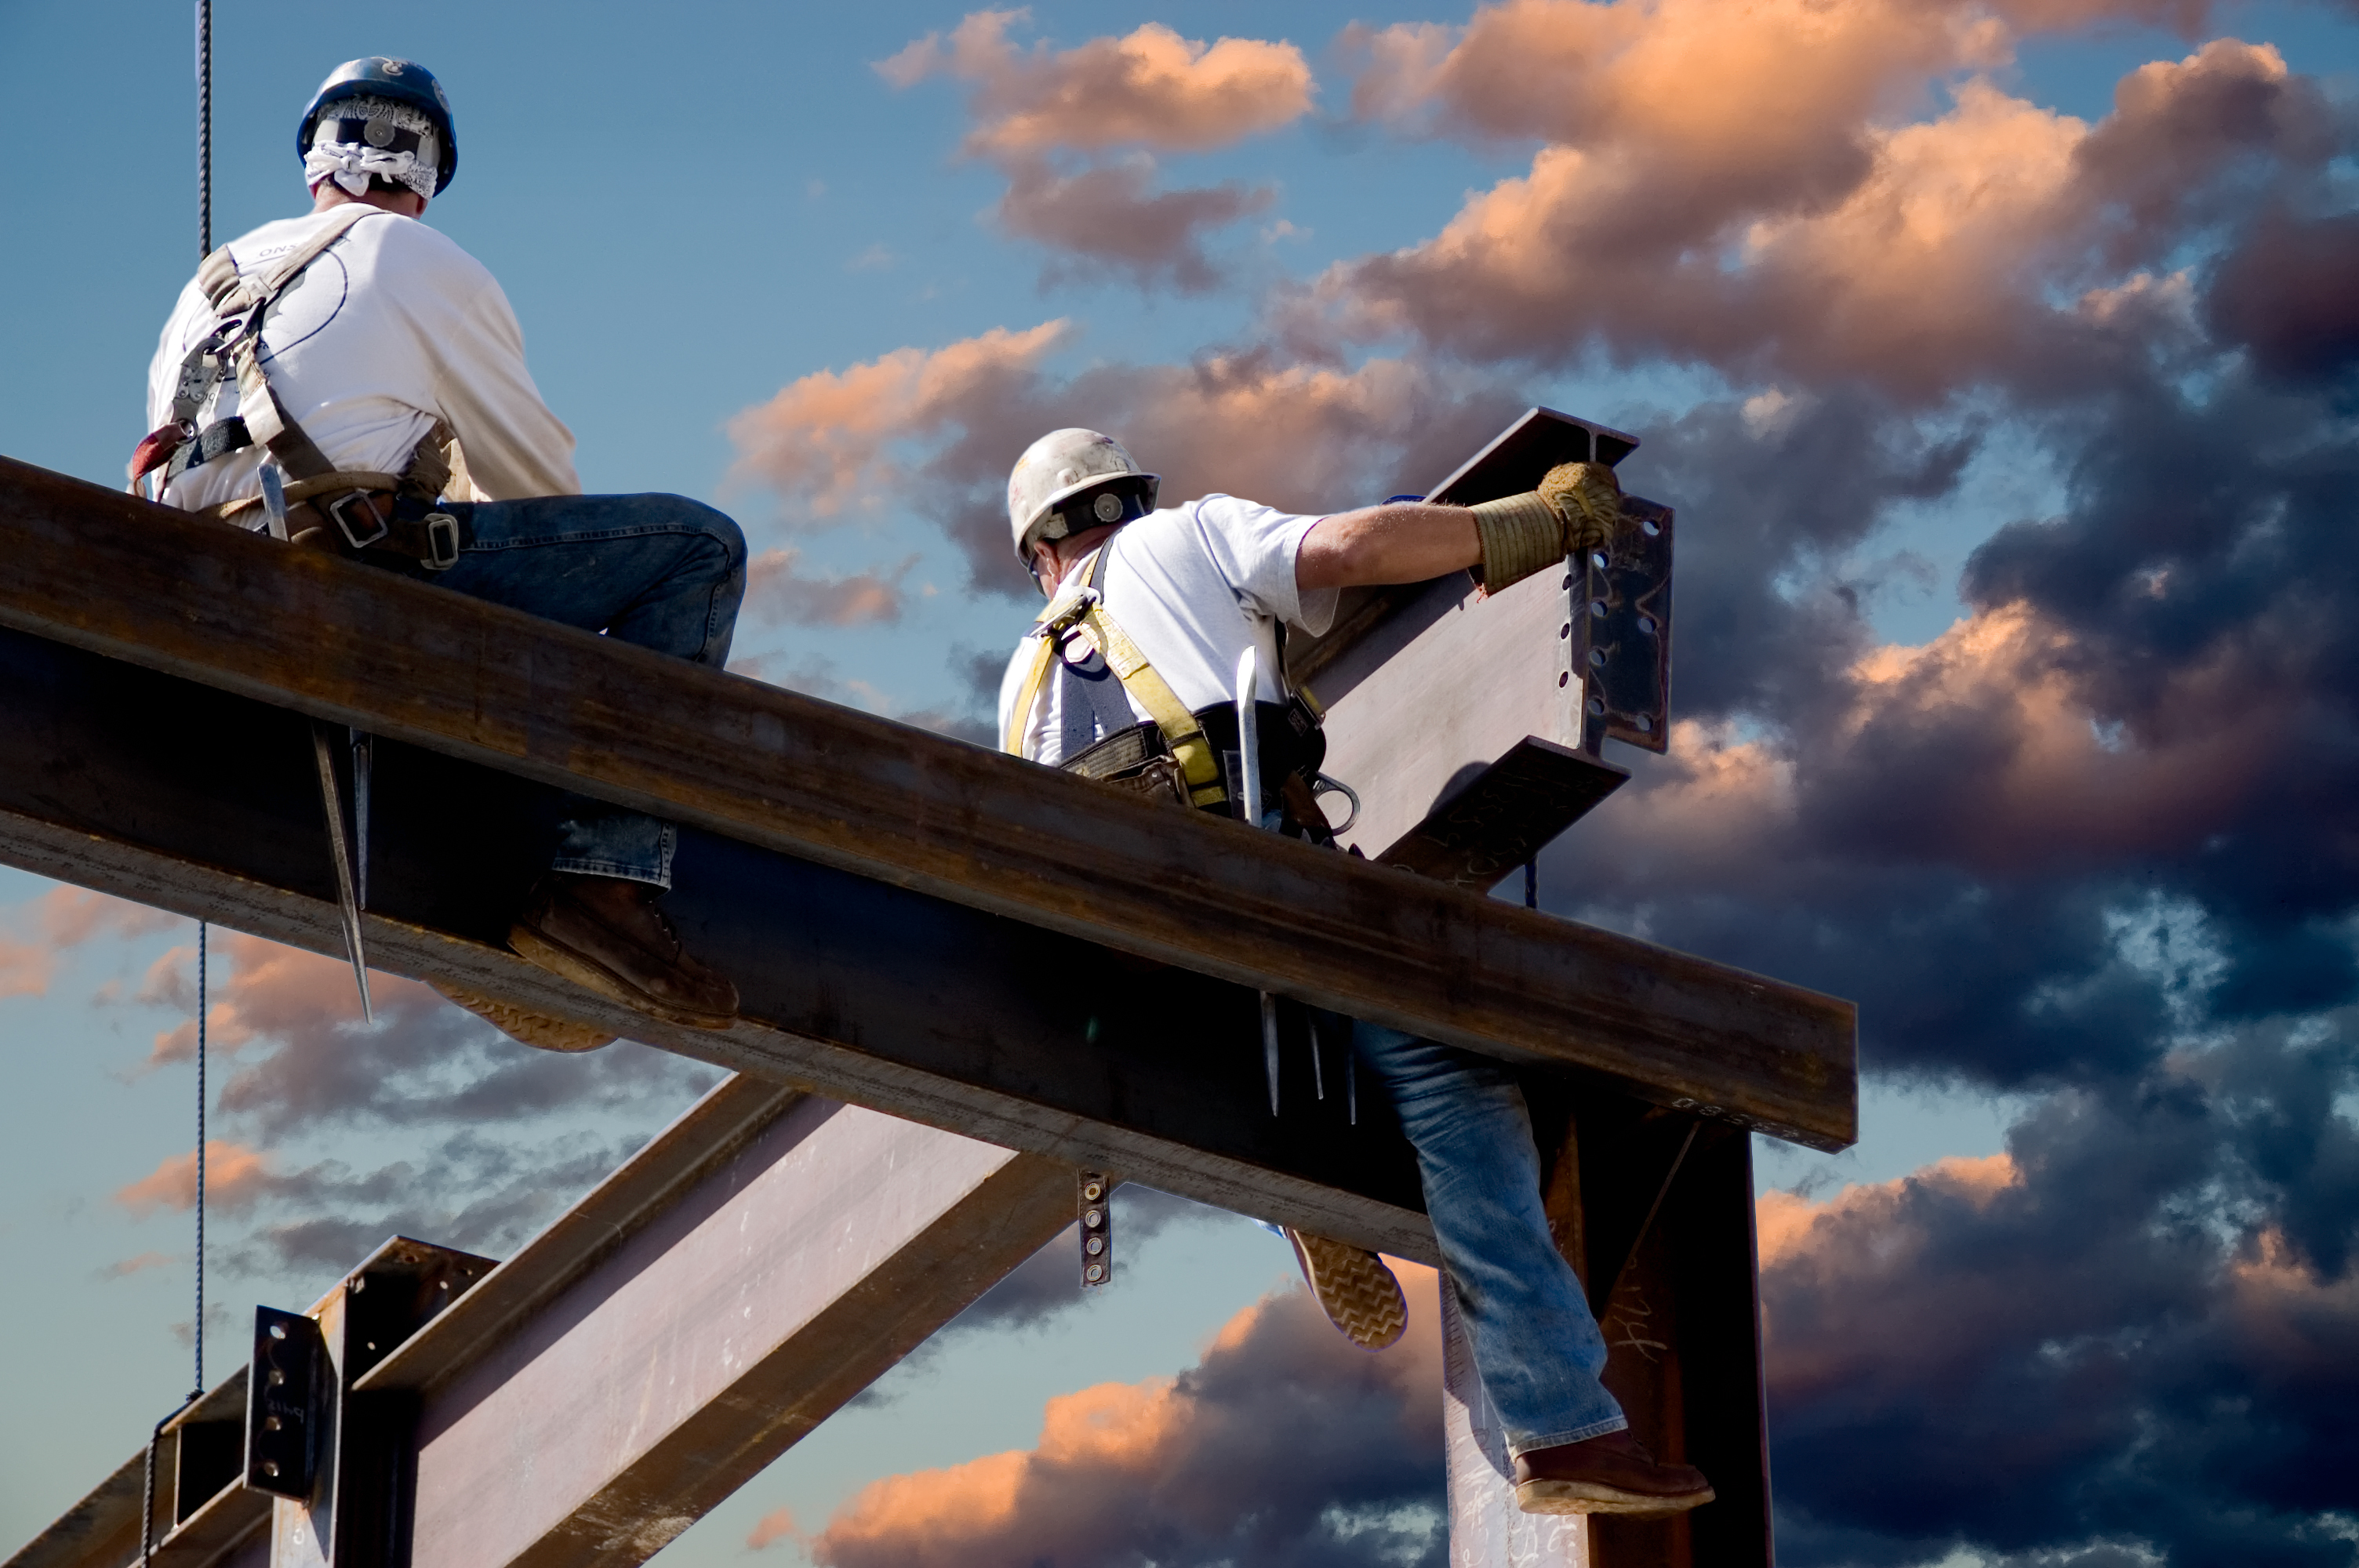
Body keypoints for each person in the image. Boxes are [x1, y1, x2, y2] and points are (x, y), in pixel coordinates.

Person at [997, 428, 1714, 1519]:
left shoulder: (1021, 676)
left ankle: (1288, 1183)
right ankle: (1565, 1425)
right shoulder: (1182, 539)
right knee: (1452, 1091)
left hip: (1119, 985)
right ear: (1130, 499)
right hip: (1252, 899)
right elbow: (1343, 549)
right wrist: (1522, 526)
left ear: (1039, 555)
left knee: (1265, 1084)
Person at [135, 57, 742, 1035]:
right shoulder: (422, 262)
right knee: (695, 550)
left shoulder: (206, 287)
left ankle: (477, 836)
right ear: (427, 176)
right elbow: (538, 481)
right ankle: (603, 887)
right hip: (344, 577)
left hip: (200, 593)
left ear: (314, 163)